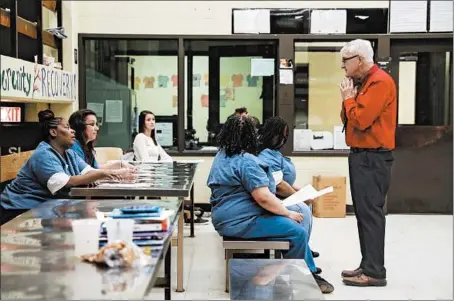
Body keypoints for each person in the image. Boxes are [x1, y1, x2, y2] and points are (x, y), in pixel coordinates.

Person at [207, 115, 333, 293]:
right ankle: (300, 275)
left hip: (224, 218)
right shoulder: (246, 161)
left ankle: (283, 269)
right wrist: (287, 213)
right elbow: (263, 197)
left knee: (290, 226)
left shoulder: (222, 156)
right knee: (297, 232)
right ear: (251, 136)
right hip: (242, 222)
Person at [0, 110, 134, 225]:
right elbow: (67, 182)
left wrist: (115, 172)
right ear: (53, 132)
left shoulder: (68, 152)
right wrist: (109, 173)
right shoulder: (44, 154)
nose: (72, 131)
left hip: (45, 207)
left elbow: (89, 171)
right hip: (17, 210)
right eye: (67, 127)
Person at [339, 39, 396, 287]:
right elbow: (347, 116)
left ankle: (375, 272)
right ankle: (367, 264)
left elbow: (360, 120)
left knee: (371, 214)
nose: (343, 66)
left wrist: (348, 99)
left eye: (345, 61)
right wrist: (348, 99)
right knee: (363, 214)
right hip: (362, 156)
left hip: (373, 157)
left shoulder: (380, 82)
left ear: (359, 60)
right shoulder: (363, 84)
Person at [257, 116, 320, 261]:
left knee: (306, 208)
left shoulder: (274, 153)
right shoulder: (266, 155)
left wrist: (301, 192)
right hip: (275, 197)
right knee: (302, 209)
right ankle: (301, 260)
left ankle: (303, 247)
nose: (285, 138)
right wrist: (300, 197)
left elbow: (285, 180)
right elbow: (277, 185)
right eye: (283, 135)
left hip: (284, 195)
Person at [69, 109, 134, 169]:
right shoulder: (74, 146)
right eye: (92, 124)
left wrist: (120, 164)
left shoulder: (86, 147)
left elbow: (96, 168)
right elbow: (87, 173)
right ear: (79, 127)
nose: (97, 128)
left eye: (96, 124)